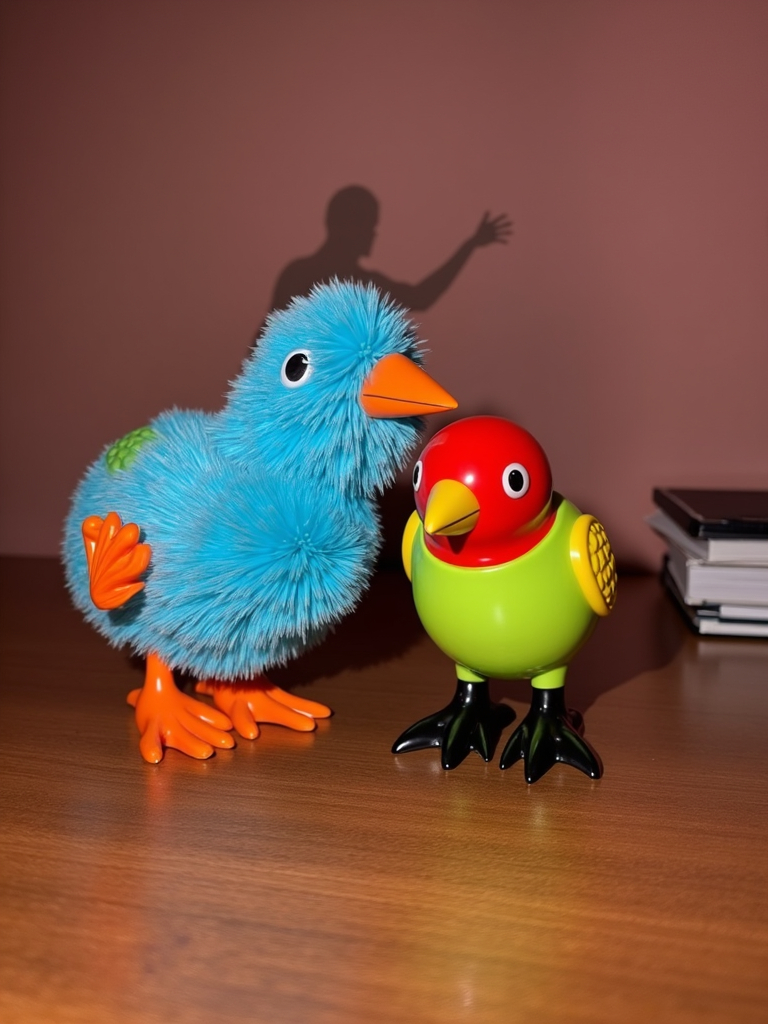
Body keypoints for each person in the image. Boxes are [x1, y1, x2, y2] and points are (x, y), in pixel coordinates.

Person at [267, 185, 512, 317]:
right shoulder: (306, 277)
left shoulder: (302, 274)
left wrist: (469, 246)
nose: (374, 234)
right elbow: (268, 342)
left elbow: (420, 297)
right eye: (369, 225)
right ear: (344, 225)